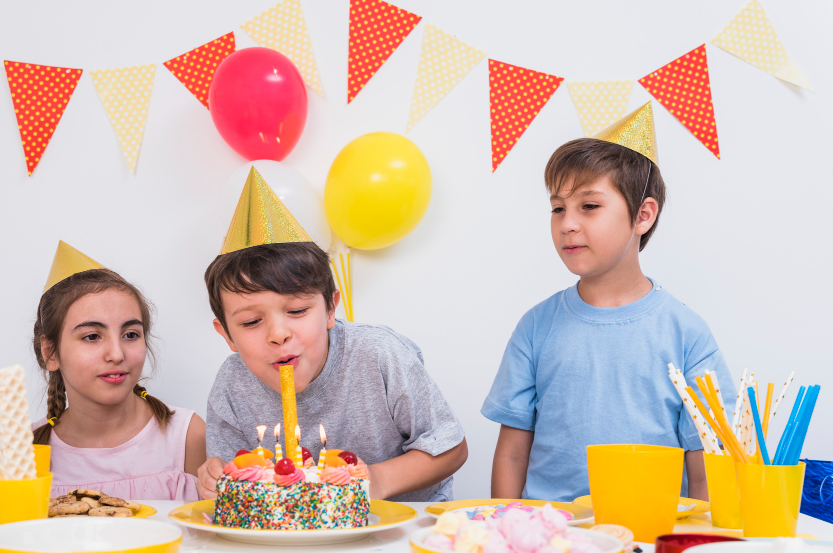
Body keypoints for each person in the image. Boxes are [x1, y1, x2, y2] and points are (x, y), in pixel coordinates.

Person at [483, 103, 734, 503]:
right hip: (553, 537)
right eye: (558, 208)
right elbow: (512, 454)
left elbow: (704, 468)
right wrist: (506, 530)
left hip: (650, 535)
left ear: (643, 216)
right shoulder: (535, 327)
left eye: (589, 206)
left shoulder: (686, 333)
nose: (567, 223)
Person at [196, 167, 467, 502]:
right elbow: (234, 477)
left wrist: (375, 482)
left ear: (329, 309)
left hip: (400, 530)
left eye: (296, 311)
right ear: (227, 335)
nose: (278, 334)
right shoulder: (231, 385)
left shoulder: (379, 354)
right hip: (297, 539)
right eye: (251, 322)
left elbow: (450, 448)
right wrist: (217, 479)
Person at [31, 241, 204, 500]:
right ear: (50, 353)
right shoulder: (25, 451)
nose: (117, 354)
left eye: (131, 334)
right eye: (92, 337)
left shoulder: (187, 436)